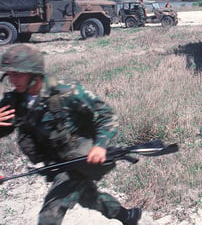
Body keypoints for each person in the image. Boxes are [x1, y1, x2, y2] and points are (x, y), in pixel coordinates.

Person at [0, 44, 142, 225]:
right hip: (56, 163)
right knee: (87, 197)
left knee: (51, 213)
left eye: (17, 74)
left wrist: (100, 145)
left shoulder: (66, 90)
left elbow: (107, 115)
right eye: (9, 74)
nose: (12, 80)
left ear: (33, 73)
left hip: (81, 159)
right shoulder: (14, 101)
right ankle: (128, 216)